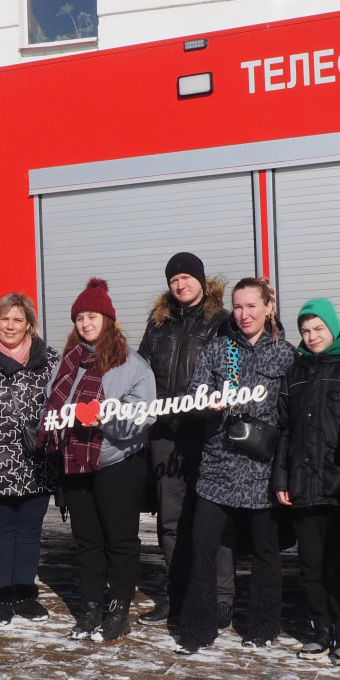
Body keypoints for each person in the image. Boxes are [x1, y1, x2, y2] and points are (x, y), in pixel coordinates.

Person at [174, 277, 294, 654]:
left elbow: (291, 417)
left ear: (268, 308)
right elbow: (193, 393)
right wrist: (206, 401)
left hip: (262, 470)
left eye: (252, 306)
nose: (244, 314)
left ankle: (261, 627)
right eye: (238, 307)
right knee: (203, 547)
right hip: (218, 466)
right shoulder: (218, 350)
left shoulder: (286, 354)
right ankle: (197, 628)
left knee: (265, 552)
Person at [37, 278, 155, 643]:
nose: (86, 323)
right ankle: (90, 606)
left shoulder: (132, 364)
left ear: (108, 319)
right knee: (86, 540)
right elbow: (50, 402)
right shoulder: (68, 362)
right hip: (75, 462)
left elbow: (145, 416)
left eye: (93, 316)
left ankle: (118, 609)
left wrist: (104, 417)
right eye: (80, 317)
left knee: (119, 541)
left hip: (118, 463)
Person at [136, 252, 233, 629]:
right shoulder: (158, 324)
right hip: (165, 436)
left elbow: (236, 369)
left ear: (201, 280)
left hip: (207, 435)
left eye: (187, 277)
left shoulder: (221, 322)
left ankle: (221, 599)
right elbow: (141, 372)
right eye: (174, 279)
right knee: (171, 521)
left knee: (213, 519)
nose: (180, 284)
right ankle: (177, 597)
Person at [271, 298, 340, 664]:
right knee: (309, 565)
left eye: (318, 329)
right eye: (306, 331)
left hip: (338, 485)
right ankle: (319, 629)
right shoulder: (295, 371)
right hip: (302, 483)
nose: (312, 337)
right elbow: (284, 429)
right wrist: (281, 476)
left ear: (332, 327)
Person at [0, 292, 59, 626]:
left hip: (37, 459)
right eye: (4, 319)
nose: (10, 326)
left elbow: (60, 403)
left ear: (29, 325)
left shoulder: (50, 360)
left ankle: (24, 594)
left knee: (28, 531)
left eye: (17, 320)